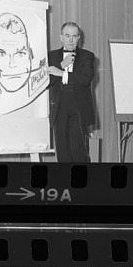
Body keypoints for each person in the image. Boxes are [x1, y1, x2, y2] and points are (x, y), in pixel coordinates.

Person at [46, 22, 98, 162]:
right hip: (59, 107)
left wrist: (61, 73)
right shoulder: (51, 56)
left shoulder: (87, 56)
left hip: (78, 107)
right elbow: (45, 82)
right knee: (62, 150)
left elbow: (85, 79)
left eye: (74, 36)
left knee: (79, 150)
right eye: (67, 36)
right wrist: (62, 65)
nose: (71, 40)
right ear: (61, 37)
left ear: (79, 38)